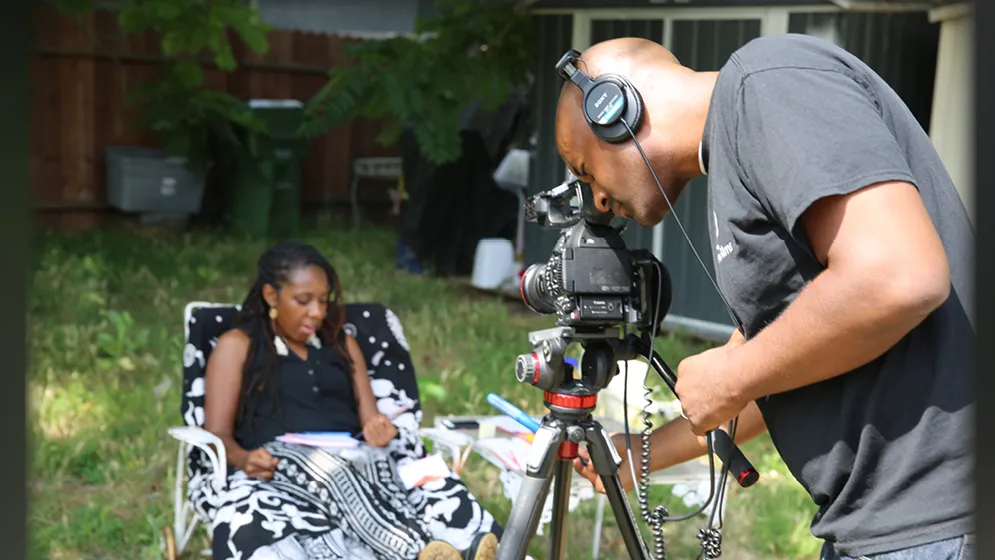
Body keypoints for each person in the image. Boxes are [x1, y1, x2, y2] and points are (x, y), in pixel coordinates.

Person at [558, 34, 975, 560]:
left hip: (931, 526)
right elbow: (788, 362)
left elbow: (897, 276)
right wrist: (640, 454)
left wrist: (731, 375)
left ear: (614, 110)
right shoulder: (741, 156)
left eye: (585, 168)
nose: (597, 199)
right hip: (882, 530)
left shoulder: (766, 80)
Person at [201, 240, 500, 560]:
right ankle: (416, 553)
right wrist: (244, 458)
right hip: (283, 456)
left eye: (323, 301)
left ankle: (442, 550)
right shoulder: (238, 345)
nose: (317, 312)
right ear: (271, 296)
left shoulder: (341, 343)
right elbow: (217, 435)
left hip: (350, 450)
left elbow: (369, 417)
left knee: (382, 477)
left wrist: (377, 427)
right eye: (303, 300)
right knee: (334, 474)